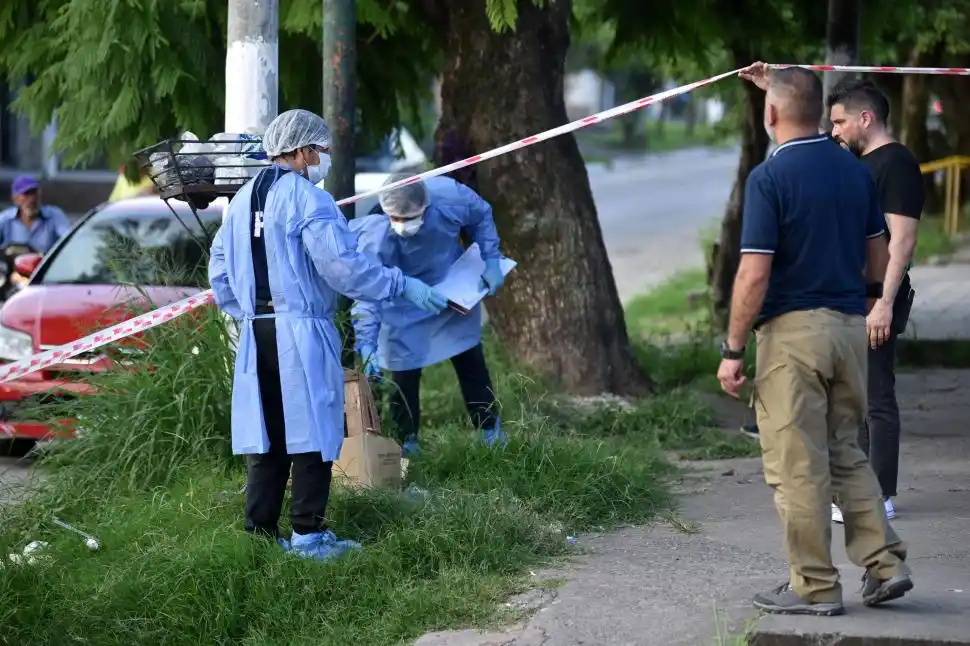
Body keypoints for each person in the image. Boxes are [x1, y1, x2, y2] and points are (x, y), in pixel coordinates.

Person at [208, 109, 448, 561]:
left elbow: (219, 273)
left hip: (255, 331)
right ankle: (308, 535)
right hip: (301, 328)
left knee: (268, 432)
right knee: (314, 430)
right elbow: (345, 269)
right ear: (301, 151)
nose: (324, 160)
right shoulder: (308, 201)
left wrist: (249, 309)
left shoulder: (239, 203)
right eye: (320, 151)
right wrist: (399, 284)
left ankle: (258, 532)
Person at [719, 64, 912, 616]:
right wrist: (871, 298)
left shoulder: (769, 178)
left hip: (792, 336)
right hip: (849, 329)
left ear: (771, 114)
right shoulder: (855, 171)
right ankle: (886, 565)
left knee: (798, 465)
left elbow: (754, 273)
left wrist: (733, 350)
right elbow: (879, 252)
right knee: (847, 453)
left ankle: (815, 587)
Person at [350, 174, 506, 457]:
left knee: (470, 360)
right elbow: (368, 291)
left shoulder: (450, 197)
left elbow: (481, 215)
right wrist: (367, 343)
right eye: (395, 218)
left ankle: (490, 431)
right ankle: (406, 444)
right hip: (401, 305)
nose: (403, 225)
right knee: (403, 376)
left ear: (427, 206)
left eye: (410, 217)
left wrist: (491, 259)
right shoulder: (373, 232)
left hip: (449, 287)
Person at [827, 79, 924, 523]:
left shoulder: (896, 163)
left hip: (876, 297)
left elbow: (901, 239)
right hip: (853, 294)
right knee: (854, 397)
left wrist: (884, 302)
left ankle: (880, 494)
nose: (835, 131)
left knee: (877, 397)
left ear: (865, 118)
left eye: (840, 121)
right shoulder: (861, 162)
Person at [0, 175, 71, 254]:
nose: (32, 199)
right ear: (15, 199)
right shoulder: (5, 219)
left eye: (34, 193)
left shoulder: (54, 215)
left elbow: (69, 238)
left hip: (46, 265)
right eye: (26, 194)